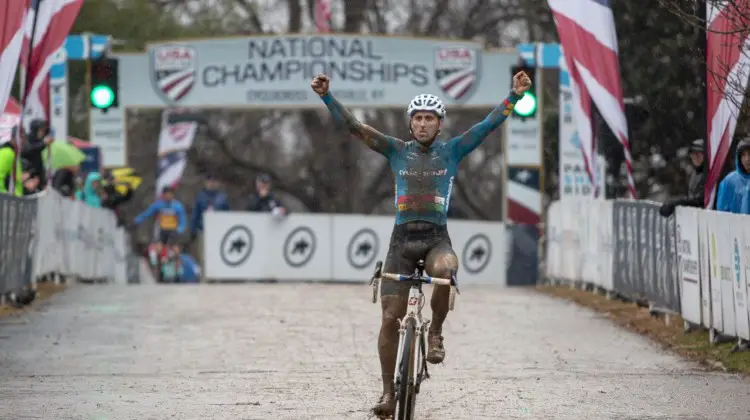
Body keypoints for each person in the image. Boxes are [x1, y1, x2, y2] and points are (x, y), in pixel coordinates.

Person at [312, 70, 532, 416]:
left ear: (440, 124)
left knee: (446, 269)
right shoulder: (396, 150)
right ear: (410, 123)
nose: (424, 124)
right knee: (389, 319)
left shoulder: (453, 150)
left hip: (435, 240)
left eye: (430, 118)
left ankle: (436, 334)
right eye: (418, 118)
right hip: (401, 242)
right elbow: (354, 127)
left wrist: (515, 96)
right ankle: (388, 393)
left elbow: (488, 125)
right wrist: (326, 96)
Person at [133, 186, 187, 263]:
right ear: (163, 195)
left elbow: (183, 220)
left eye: (170, 194)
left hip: (174, 230)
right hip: (163, 230)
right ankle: (157, 265)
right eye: (167, 194)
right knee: (158, 248)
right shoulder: (158, 205)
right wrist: (136, 221)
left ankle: (178, 267)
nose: (169, 196)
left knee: (176, 249)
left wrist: (179, 230)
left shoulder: (178, 206)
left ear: (173, 195)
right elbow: (147, 213)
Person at [190, 174, 230, 274]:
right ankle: (204, 278)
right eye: (210, 181)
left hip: (219, 231)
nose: (212, 184)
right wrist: (193, 230)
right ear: (206, 183)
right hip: (203, 229)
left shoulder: (222, 197)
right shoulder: (201, 196)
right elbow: (196, 214)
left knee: (218, 254)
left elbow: (228, 214)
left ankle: (218, 276)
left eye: (214, 181)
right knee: (204, 255)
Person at [659, 139, 707, 217]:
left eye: (698, 155)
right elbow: (690, 196)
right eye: (693, 155)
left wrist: (676, 203)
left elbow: (700, 200)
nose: (695, 158)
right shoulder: (695, 173)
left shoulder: (710, 174)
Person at [717, 137, 750, 214]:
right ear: (739, 158)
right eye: (743, 155)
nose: (747, 159)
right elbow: (722, 212)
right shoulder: (729, 181)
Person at [22, 119, 53, 188]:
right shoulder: (27, 139)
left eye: (43, 131)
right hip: (28, 177)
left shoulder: (40, 141)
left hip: (38, 177)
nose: (42, 133)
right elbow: (29, 150)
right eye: (40, 130)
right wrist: (44, 143)